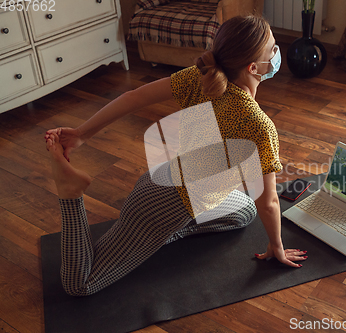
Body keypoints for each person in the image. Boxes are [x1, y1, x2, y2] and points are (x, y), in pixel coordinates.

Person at [44, 16, 307, 297]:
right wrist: (276, 247)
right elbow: (269, 202)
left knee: (245, 213)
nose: (278, 53)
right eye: (273, 49)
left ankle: (164, 233)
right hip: (163, 205)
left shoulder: (200, 78)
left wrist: (83, 133)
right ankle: (70, 193)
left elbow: (133, 97)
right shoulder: (259, 125)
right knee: (80, 285)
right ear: (253, 68)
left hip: (167, 182)